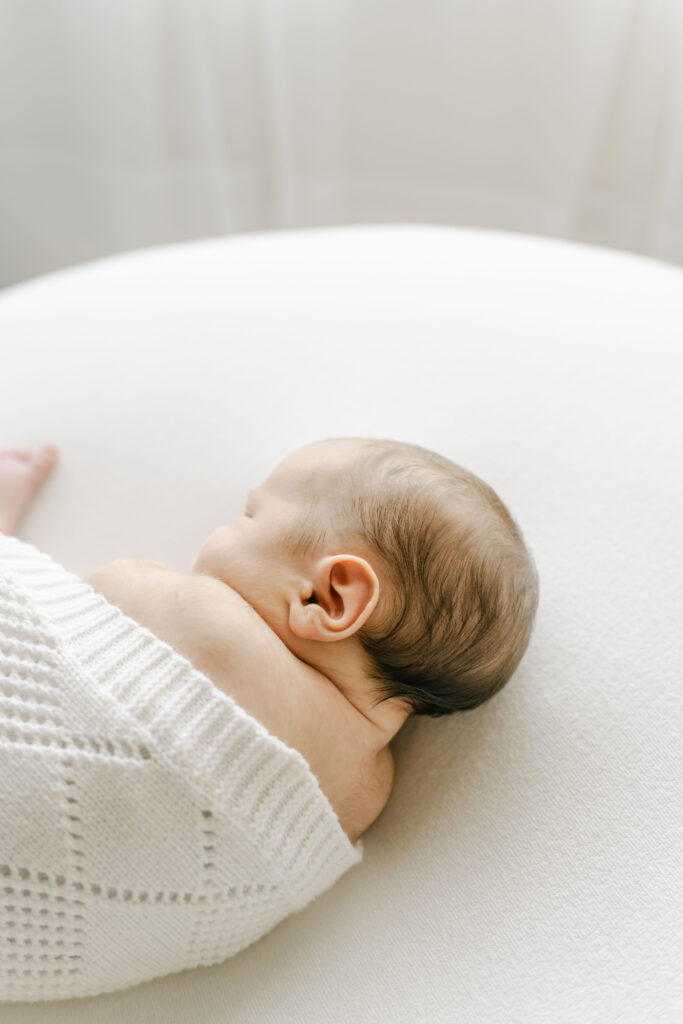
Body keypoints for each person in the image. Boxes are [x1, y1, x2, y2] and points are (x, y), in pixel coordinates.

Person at [0, 437, 539, 844]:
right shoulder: (362, 798)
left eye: (248, 517)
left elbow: (107, 589)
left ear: (325, 598)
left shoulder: (214, 625)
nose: (217, 533)